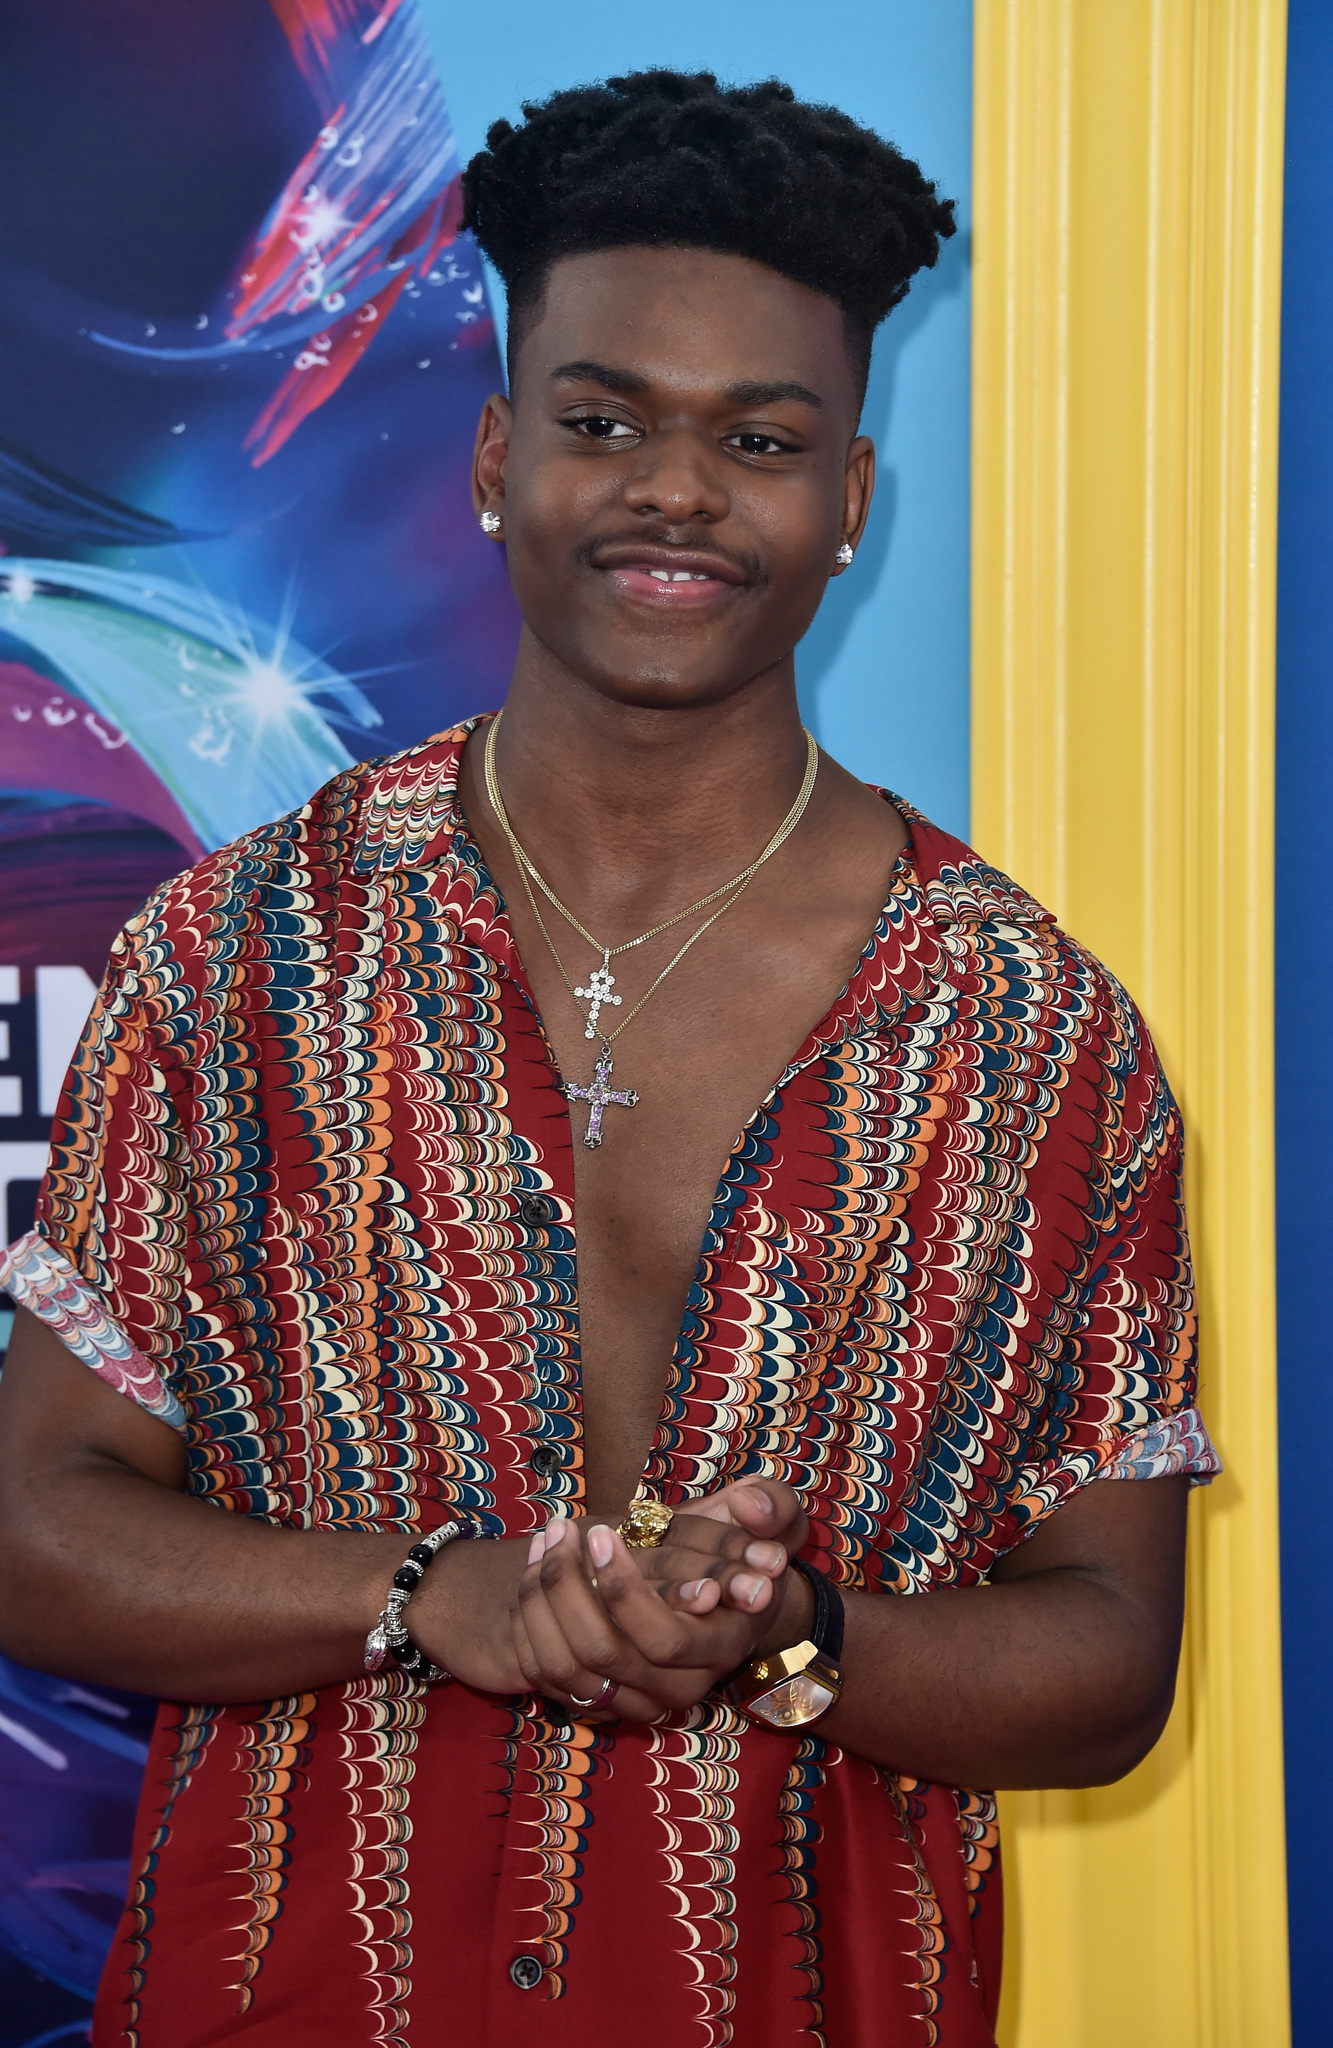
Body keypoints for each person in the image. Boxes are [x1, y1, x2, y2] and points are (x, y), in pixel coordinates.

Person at [0, 70, 1217, 2047]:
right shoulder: (238, 961)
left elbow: (1107, 1660)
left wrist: (795, 1633)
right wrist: (430, 1592)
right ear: (498, 453)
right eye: (603, 421)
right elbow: (37, 1528)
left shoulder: (1027, 1034)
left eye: (759, 439)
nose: (675, 491)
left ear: (850, 500)